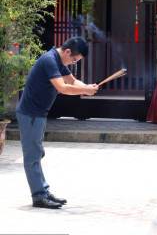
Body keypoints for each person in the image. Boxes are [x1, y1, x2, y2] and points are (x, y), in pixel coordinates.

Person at [16, 37, 98, 209]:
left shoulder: (58, 60)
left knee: (37, 153)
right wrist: (85, 90)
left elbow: (72, 81)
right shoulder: (49, 61)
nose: (73, 63)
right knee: (32, 155)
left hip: (38, 113)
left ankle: (43, 191)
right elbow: (62, 88)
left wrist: (87, 88)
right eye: (74, 60)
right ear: (67, 52)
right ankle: (39, 196)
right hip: (30, 113)